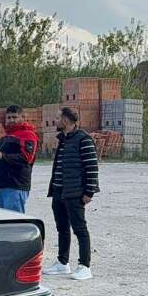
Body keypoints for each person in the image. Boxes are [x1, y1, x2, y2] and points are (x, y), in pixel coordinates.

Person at [45, 107, 99, 281]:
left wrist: (89, 191)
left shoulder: (83, 139)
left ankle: (85, 266)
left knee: (80, 229)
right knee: (62, 228)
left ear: (66, 120)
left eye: (58, 117)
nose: (56, 120)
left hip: (75, 192)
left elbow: (92, 167)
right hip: (59, 191)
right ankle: (62, 263)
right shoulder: (63, 139)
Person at [0, 104, 37, 213]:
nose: (11, 120)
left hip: (15, 186)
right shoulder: (6, 135)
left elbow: (27, 158)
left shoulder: (28, 135)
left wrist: (2, 156)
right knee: (3, 222)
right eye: (9, 117)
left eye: (15, 117)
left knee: (15, 223)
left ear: (22, 118)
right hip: (2, 186)